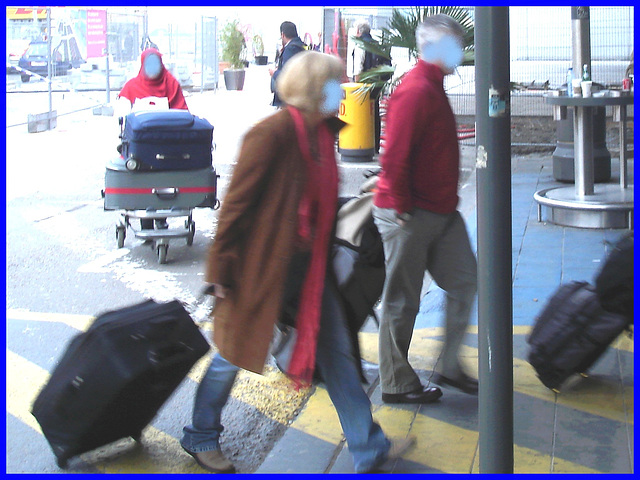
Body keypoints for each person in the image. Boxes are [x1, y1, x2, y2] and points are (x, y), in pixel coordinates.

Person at [181, 51, 415, 474]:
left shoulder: (323, 134)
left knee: (339, 356)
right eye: (332, 85)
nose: (340, 91)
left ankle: (368, 446)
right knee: (232, 355)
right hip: (261, 271)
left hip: (308, 273)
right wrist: (219, 272)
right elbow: (235, 208)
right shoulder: (270, 135)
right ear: (311, 91)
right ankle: (200, 435)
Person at [372, 14, 478, 404]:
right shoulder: (416, 90)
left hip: (438, 212)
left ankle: (449, 365)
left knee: (465, 280)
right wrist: (400, 206)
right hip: (410, 212)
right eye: (454, 45)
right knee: (402, 299)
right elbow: (394, 153)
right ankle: (396, 382)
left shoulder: (431, 86)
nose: (460, 54)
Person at [117, 47, 188, 230]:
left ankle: (159, 215)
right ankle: (148, 218)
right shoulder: (131, 87)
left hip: (165, 144)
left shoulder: (171, 84)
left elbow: (182, 114)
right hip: (140, 146)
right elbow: (121, 118)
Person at [350, 20, 390, 153]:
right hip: (377, 85)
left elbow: (358, 69)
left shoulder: (360, 45)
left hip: (364, 85)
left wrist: (356, 86)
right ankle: (375, 145)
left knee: (363, 115)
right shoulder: (377, 45)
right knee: (375, 113)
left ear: (358, 32)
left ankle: (363, 143)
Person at [269, 21, 306, 107]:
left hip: (289, 99)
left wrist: (274, 73)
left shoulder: (290, 49)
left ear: (283, 34)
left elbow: (288, 76)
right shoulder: (302, 46)